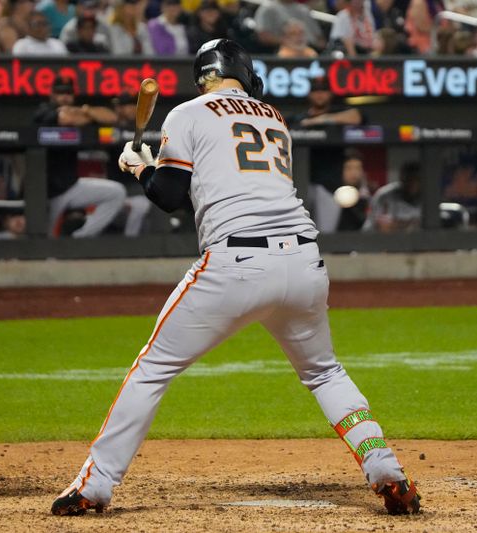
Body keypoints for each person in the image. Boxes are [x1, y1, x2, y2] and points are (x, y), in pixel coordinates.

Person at [50, 38, 420, 518]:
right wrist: (151, 167)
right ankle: (385, 469)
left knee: (153, 367)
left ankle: (94, 485)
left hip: (236, 264)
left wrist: (139, 167)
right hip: (305, 263)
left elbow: (168, 196)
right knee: (325, 372)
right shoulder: (274, 117)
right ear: (244, 72)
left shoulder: (187, 112)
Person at [33, 76, 126, 238]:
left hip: (71, 185)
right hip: (46, 191)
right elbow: (66, 119)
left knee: (116, 193)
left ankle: (80, 238)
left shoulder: (79, 110)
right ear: (52, 95)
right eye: (60, 93)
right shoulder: (42, 111)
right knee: (46, 239)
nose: (65, 97)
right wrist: (85, 116)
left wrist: (85, 110)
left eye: (68, 93)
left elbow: (111, 117)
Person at [105, 92, 154, 236]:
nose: (133, 109)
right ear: (118, 108)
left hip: (135, 190)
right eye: (128, 105)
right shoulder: (109, 128)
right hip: (113, 188)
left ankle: (131, 241)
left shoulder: (145, 128)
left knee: (145, 204)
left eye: (135, 105)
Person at [363, 161, 422, 232]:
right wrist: (378, 226)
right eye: (409, 179)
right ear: (401, 178)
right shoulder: (384, 195)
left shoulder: (431, 197)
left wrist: (397, 225)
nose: (413, 183)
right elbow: (367, 229)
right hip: (388, 242)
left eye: (417, 179)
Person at [253, 0, 325, 53]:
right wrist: (286, 41)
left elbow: (320, 39)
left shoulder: (303, 9)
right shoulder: (268, 8)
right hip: (280, 52)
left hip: (310, 50)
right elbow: (263, 36)